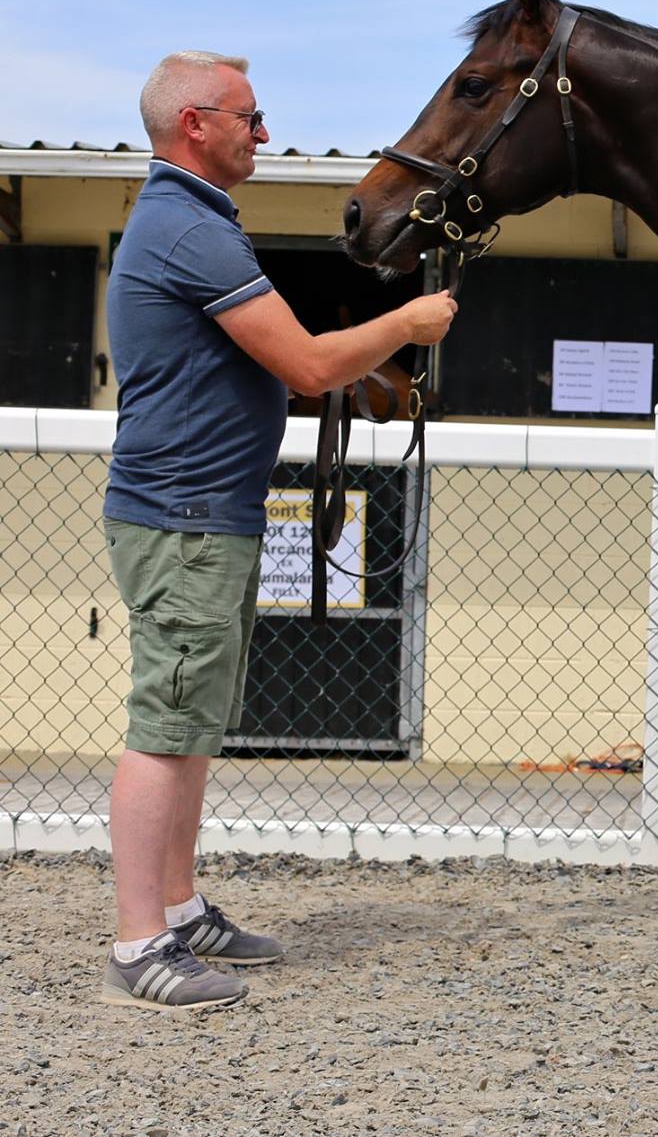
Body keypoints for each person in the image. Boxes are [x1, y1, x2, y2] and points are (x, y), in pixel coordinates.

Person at [101, 51, 458, 1012]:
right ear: (195, 127)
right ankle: (142, 940)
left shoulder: (190, 224)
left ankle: (179, 907)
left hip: (202, 515)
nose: (263, 133)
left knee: (192, 724)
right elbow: (304, 363)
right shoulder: (188, 229)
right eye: (250, 119)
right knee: (165, 726)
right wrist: (408, 322)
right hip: (185, 518)